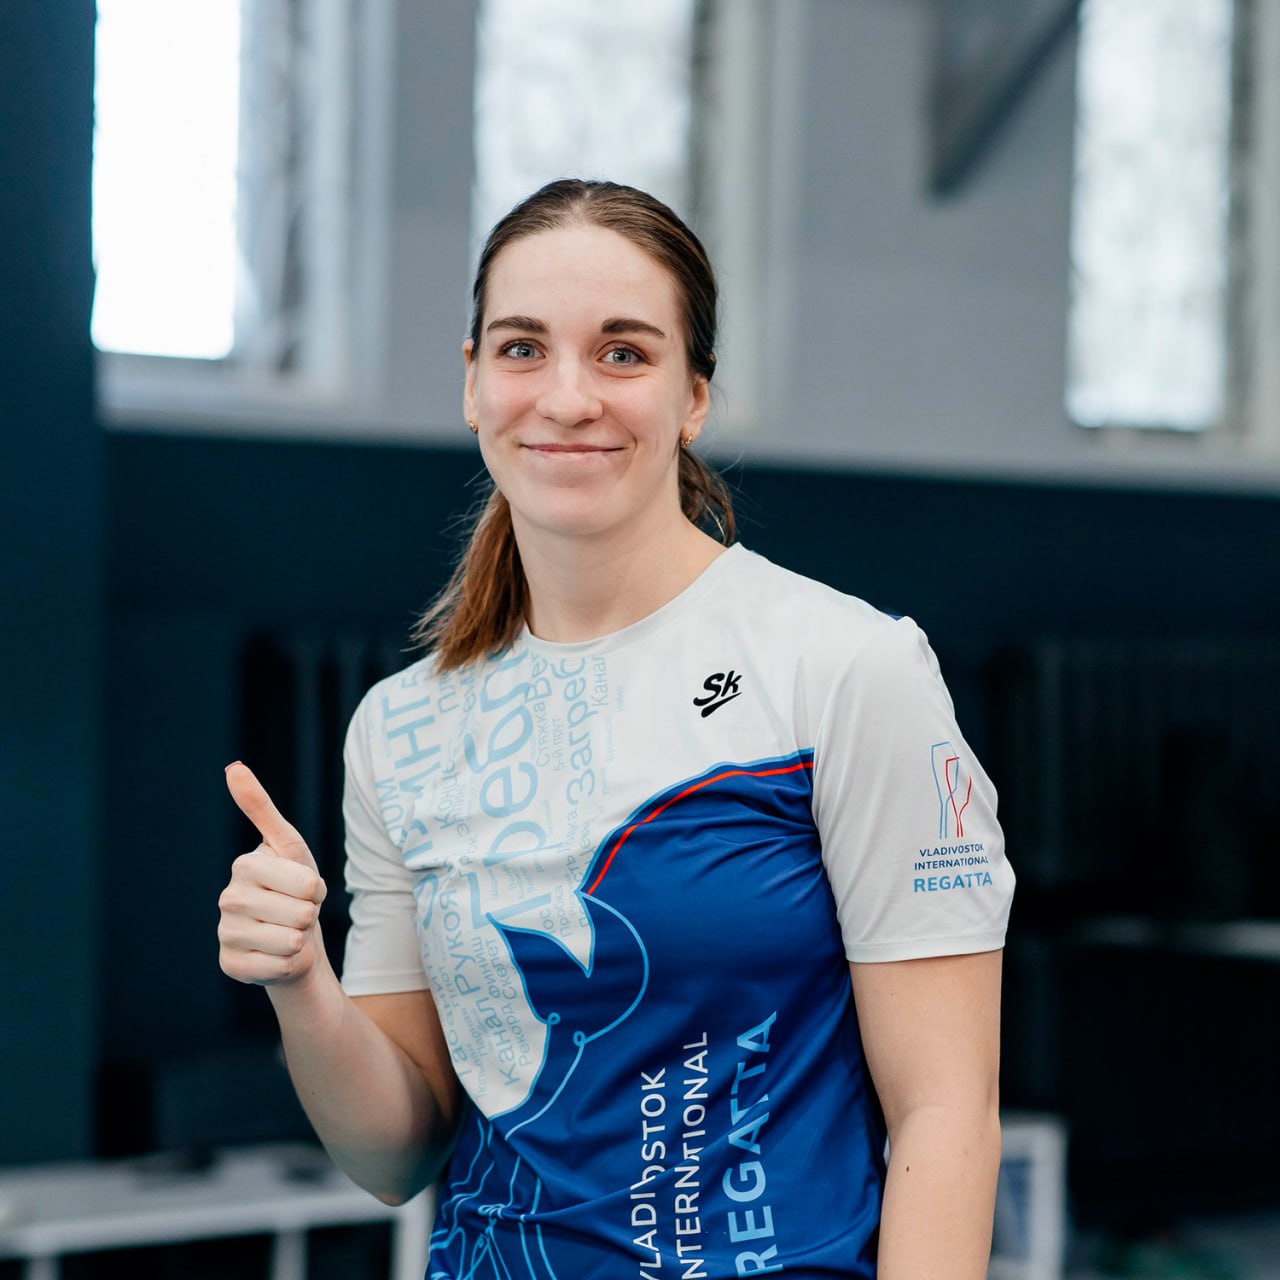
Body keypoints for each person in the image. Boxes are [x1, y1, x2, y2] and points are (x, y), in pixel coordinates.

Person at [219, 178, 1015, 1279]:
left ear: (694, 396)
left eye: (623, 353)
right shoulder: (401, 727)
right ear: (472, 383)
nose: (567, 397)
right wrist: (300, 981)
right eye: (522, 348)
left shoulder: (842, 667)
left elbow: (945, 1112)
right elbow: (392, 1153)